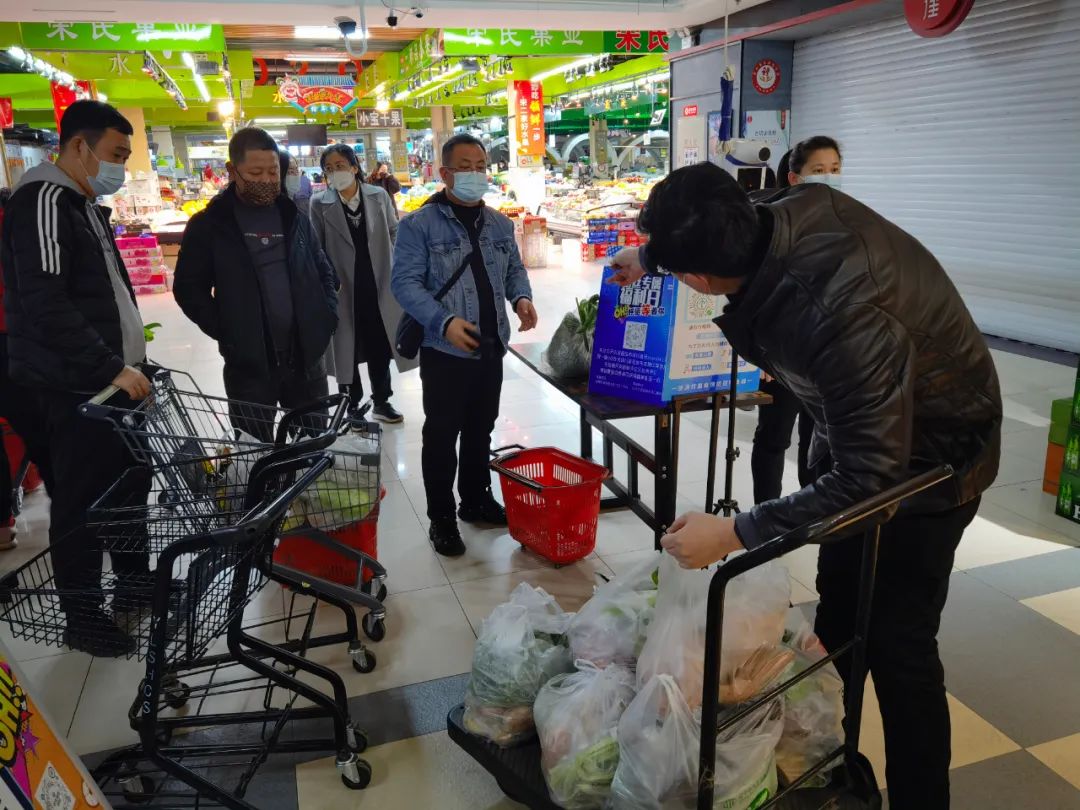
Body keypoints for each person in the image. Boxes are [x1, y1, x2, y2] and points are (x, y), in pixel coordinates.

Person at [611, 162, 1001, 810]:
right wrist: (648, 258)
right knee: (839, 620)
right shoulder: (774, 213)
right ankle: (828, 760)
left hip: (933, 466)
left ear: (698, 280)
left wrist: (736, 532)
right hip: (865, 440)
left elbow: (871, 479)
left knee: (899, 647)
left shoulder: (839, 317)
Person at [2, 100, 154, 657]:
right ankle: (83, 617)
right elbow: (45, 301)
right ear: (78, 146)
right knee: (83, 500)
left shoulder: (82, 202)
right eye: (116, 153)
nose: (120, 166)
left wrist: (132, 361)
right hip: (75, 385)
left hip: (113, 379)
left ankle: (136, 584)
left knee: (131, 482)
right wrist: (109, 366)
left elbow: (103, 294)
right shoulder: (44, 199)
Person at [392, 133, 537, 557]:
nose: (476, 174)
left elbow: (514, 269)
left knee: (480, 428)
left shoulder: (499, 224)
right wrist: (444, 321)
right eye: (465, 167)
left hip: (491, 344)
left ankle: (475, 499)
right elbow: (404, 284)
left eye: (481, 166)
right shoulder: (418, 225)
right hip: (445, 350)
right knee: (441, 434)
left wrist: (521, 298)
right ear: (445, 173)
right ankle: (441, 517)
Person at [173, 127, 338, 441]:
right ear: (232, 170)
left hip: (306, 357)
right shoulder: (210, 225)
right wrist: (228, 331)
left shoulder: (293, 216)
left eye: (273, 172)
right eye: (255, 173)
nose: (266, 180)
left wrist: (326, 316)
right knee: (253, 451)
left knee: (314, 446)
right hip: (249, 364)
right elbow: (189, 289)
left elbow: (323, 269)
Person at [749, 137, 842, 504]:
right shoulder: (773, 225)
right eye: (819, 170)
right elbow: (755, 294)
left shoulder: (844, 222)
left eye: (835, 169)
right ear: (794, 178)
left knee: (816, 439)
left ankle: (810, 513)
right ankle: (765, 514)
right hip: (782, 354)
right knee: (774, 436)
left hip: (825, 352)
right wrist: (759, 354)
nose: (829, 177)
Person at [310, 144, 411, 424]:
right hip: (342, 288)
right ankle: (351, 405)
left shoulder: (378, 196)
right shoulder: (319, 203)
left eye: (340, 166)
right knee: (347, 348)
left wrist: (394, 261)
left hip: (378, 282)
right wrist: (327, 281)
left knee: (380, 343)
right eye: (329, 169)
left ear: (354, 167)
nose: (335, 172)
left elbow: (394, 230)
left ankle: (382, 401)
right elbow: (317, 247)